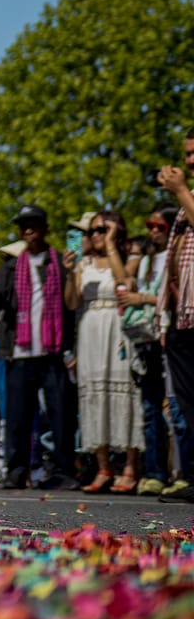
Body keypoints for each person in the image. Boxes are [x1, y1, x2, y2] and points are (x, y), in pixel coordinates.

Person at [0, 205, 79, 490]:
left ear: (45, 229)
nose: (28, 230)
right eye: (23, 226)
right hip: (19, 351)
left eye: (33, 225)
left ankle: (63, 471)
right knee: (17, 417)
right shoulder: (11, 268)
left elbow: (71, 308)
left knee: (60, 415)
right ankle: (16, 471)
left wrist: (72, 347)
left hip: (52, 352)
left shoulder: (59, 263)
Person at [72, 212, 144, 492]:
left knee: (125, 392)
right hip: (90, 329)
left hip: (117, 326)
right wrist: (70, 272)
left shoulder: (131, 256)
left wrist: (112, 243)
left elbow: (123, 282)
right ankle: (103, 467)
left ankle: (129, 466)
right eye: (92, 231)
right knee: (94, 395)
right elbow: (72, 302)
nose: (96, 235)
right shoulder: (83, 263)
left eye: (102, 229)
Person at [124, 211, 177, 494]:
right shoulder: (145, 261)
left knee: (176, 408)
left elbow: (173, 296)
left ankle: (181, 472)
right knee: (150, 407)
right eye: (149, 225)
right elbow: (126, 280)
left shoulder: (176, 256)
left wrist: (142, 298)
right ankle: (155, 473)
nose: (153, 230)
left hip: (167, 334)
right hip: (144, 337)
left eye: (160, 226)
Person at [157, 147, 194, 503]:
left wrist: (181, 192)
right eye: (187, 154)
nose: (189, 161)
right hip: (184, 315)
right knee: (188, 401)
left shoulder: (187, 198)